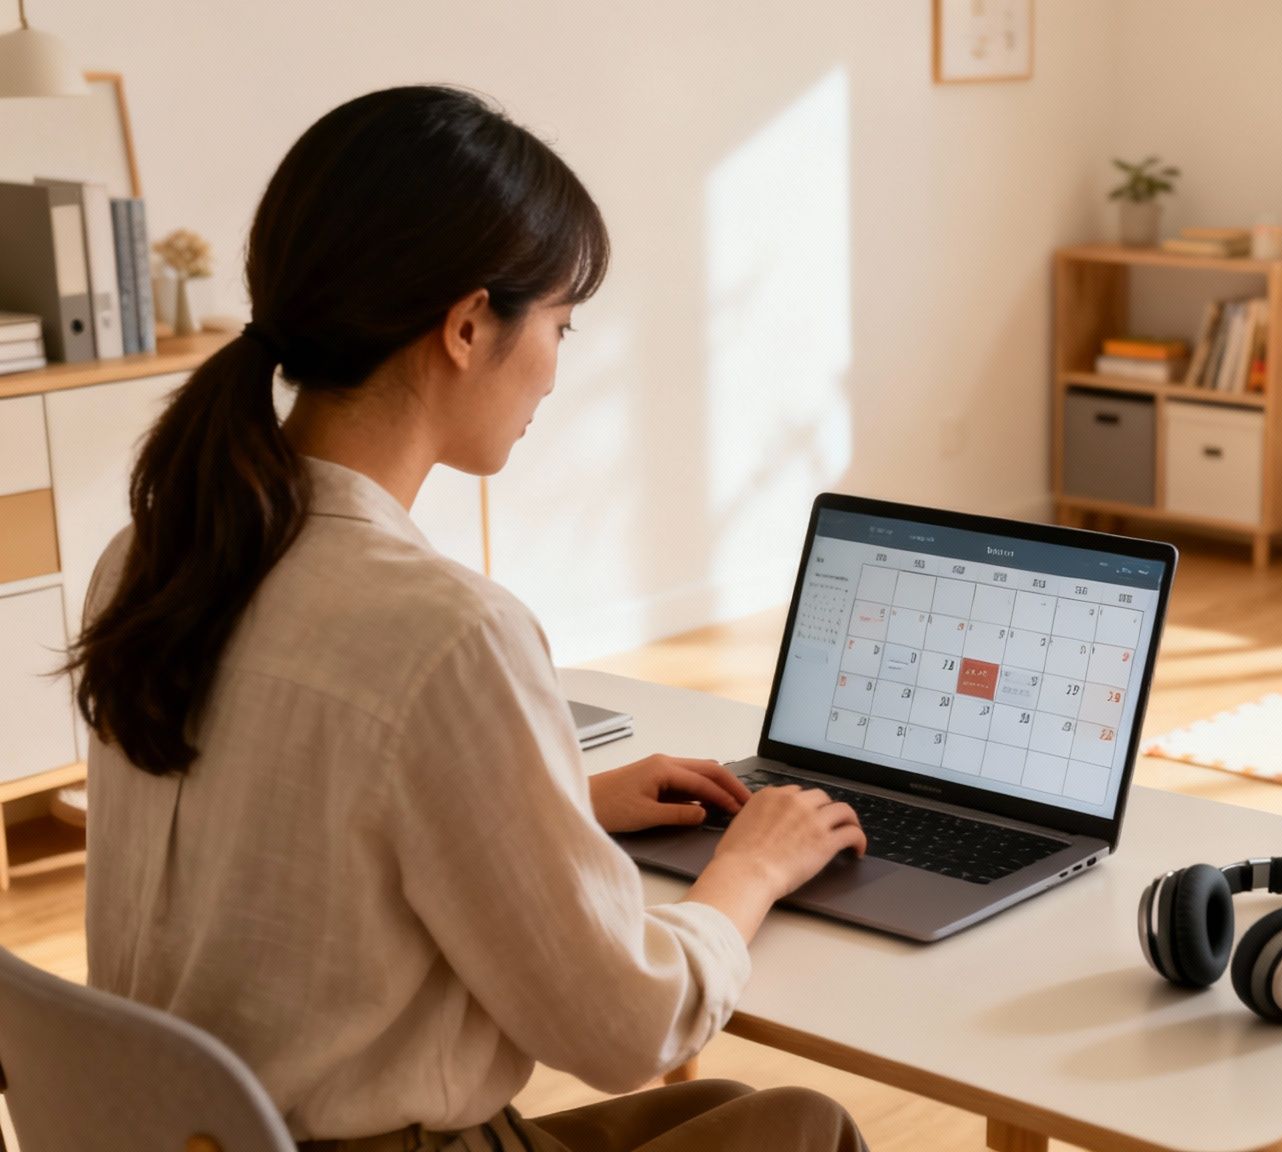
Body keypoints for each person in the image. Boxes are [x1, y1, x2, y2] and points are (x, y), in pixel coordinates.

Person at [67, 85, 869, 1152]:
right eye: (560, 326)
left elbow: (279, 820)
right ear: (466, 326)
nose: (555, 370)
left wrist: (558, 805)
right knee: (804, 1126)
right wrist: (753, 866)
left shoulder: (150, 555)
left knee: (732, 1114)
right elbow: (626, 1027)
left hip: (187, 1135)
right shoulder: (447, 631)